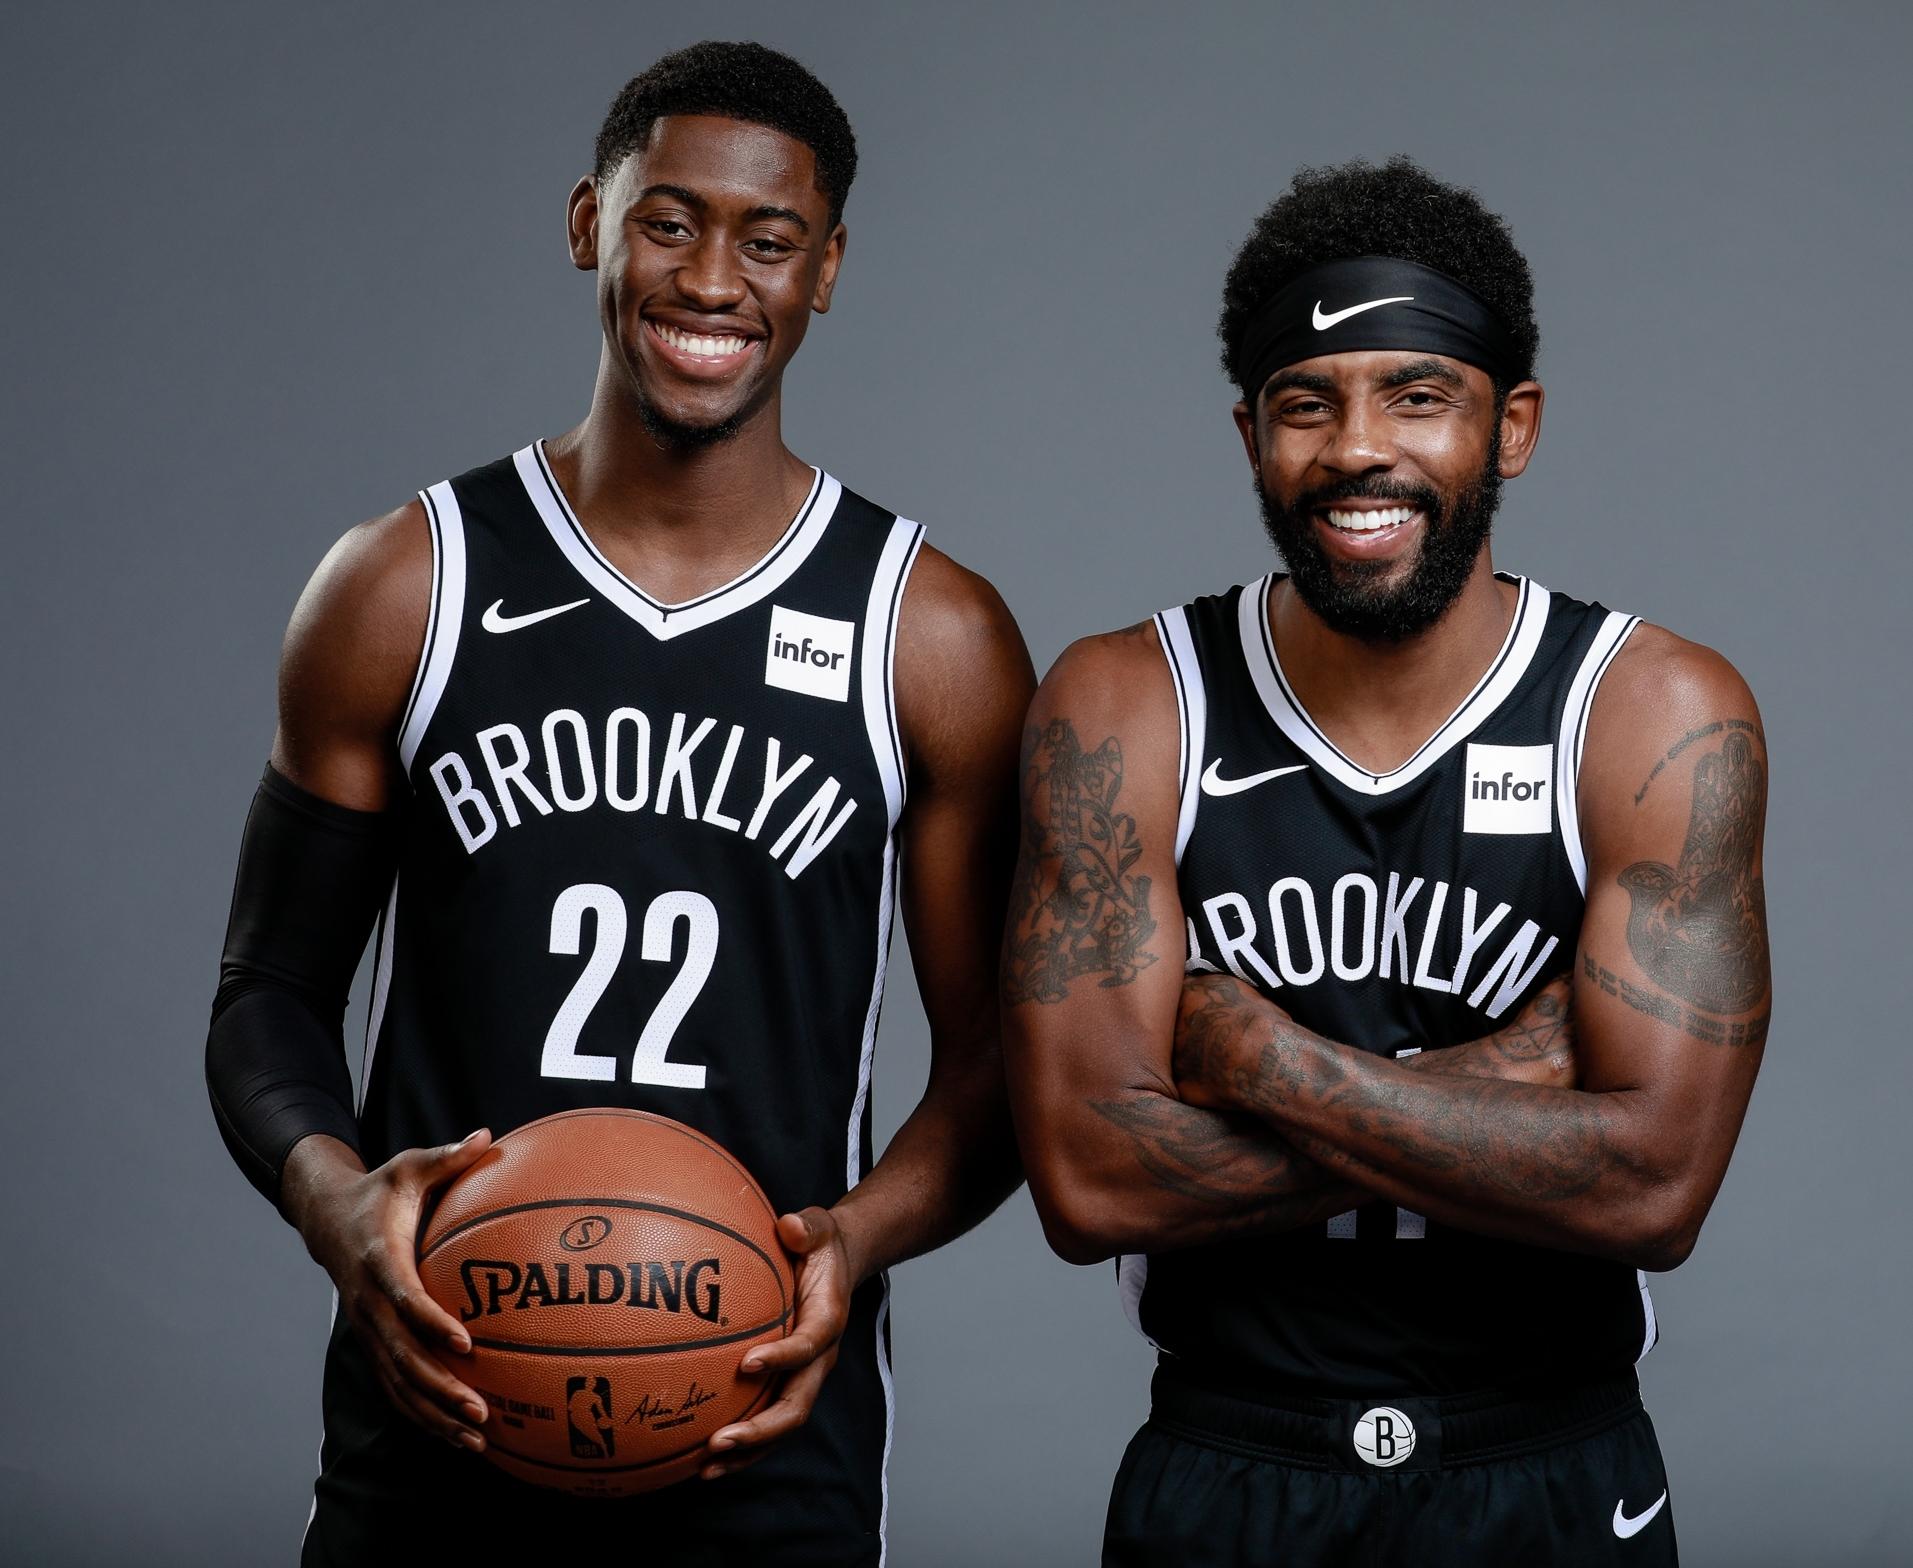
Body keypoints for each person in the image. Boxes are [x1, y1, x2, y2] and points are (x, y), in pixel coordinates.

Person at [205, 41, 1031, 1566]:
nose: (713, 279)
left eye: (767, 240)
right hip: (439, 1393)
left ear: (825, 270)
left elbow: (996, 1075)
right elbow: (265, 999)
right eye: (670, 220)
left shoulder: (928, 634)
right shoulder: (405, 585)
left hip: (761, 1412)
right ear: (589, 221)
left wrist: (854, 1241)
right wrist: (337, 1207)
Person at [1003, 157, 1769, 1567]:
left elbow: (1653, 1191)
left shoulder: (1651, 713)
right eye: (1308, 402)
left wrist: (1253, 1057)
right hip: (1232, 1454)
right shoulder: (1123, 706)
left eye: (1416, 393)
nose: (1358, 447)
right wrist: (1501, 1087)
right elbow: (1089, 1183)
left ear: (1511, 423)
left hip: (1545, 1458)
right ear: (1249, 435)